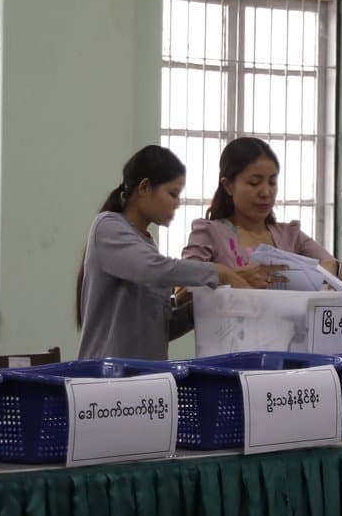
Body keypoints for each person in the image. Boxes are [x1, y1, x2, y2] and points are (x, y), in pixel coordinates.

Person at [77, 145, 253, 360]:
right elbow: (153, 269)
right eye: (172, 194)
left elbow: (157, 329)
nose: (177, 204)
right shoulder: (107, 227)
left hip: (147, 380)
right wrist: (219, 272)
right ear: (144, 187)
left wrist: (195, 310)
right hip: (105, 381)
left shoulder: (146, 244)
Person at [183, 137, 342, 287]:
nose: (265, 192)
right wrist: (231, 278)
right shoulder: (209, 233)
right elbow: (182, 290)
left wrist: (322, 271)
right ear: (228, 185)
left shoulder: (291, 236)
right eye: (254, 183)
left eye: (272, 183)